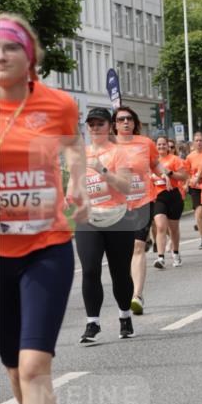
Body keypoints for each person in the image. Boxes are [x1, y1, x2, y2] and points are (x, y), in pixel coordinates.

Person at [0, 14, 88, 404]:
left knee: (34, 368)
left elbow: (72, 144)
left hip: (46, 248)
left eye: (10, 48)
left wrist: (76, 181)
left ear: (29, 55)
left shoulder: (57, 103)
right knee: (14, 370)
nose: (1, 56)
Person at [75, 108, 134, 344]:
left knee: (119, 273)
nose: (95, 128)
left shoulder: (119, 153)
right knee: (89, 269)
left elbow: (126, 187)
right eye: (91, 124)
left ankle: (125, 316)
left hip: (118, 218)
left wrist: (102, 170)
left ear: (109, 126)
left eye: (100, 124)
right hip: (89, 219)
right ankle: (92, 323)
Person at [112, 105, 172, 315]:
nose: (125, 122)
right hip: (117, 205)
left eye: (129, 118)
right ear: (115, 124)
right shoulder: (108, 145)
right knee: (123, 253)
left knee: (138, 246)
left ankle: (137, 295)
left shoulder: (145, 143)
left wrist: (165, 173)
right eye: (121, 119)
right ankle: (127, 290)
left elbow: (155, 164)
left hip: (142, 201)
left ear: (135, 122)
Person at [152, 135, 189, 267]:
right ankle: (161, 258)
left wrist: (170, 173)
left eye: (164, 144)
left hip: (173, 196)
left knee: (173, 229)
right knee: (161, 226)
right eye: (159, 144)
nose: (161, 146)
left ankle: (176, 253)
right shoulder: (152, 161)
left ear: (168, 146)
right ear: (155, 146)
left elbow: (184, 176)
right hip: (158, 197)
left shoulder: (175, 159)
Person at [185, 132, 202, 248]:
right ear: (193, 143)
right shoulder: (190, 157)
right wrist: (190, 181)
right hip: (195, 188)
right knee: (199, 214)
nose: (199, 143)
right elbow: (186, 173)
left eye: (201, 140)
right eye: (197, 141)